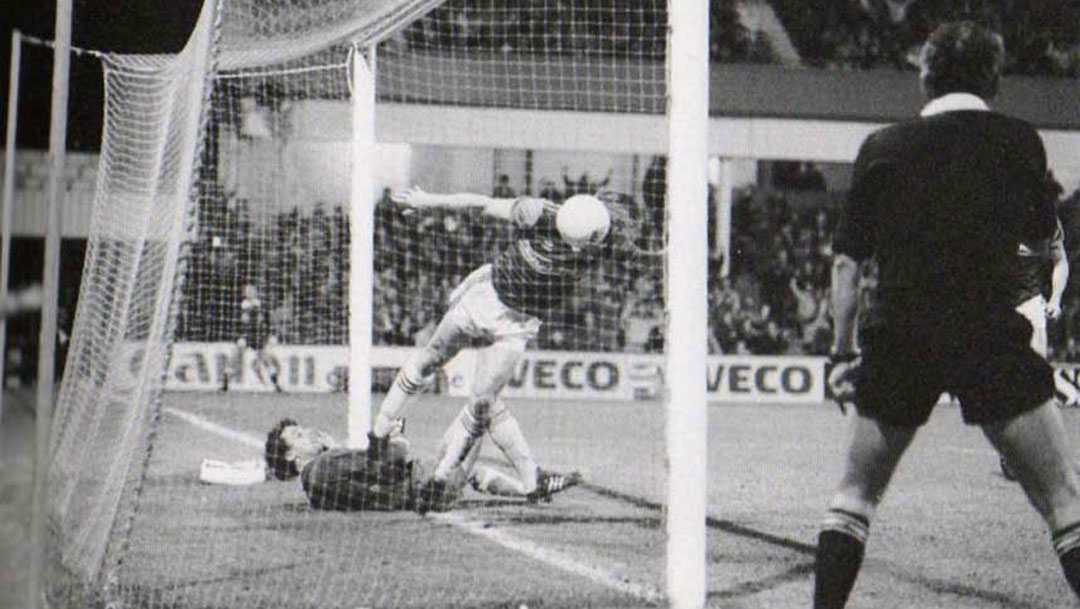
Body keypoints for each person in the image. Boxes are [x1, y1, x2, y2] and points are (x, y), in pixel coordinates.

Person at [817, 21, 1080, 609]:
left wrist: (839, 353)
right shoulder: (1020, 141)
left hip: (901, 335)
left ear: (925, 75)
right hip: (989, 333)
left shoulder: (882, 146)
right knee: (1065, 501)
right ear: (994, 78)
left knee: (854, 498)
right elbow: (1043, 243)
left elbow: (846, 268)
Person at [367, 186, 636, 513]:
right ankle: (379, 434)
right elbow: (480, 204)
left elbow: (633, 247)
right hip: (488, 297)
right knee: (430, 359)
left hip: (517, 326)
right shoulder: (538, 213)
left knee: (482, 403)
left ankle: (444, 478)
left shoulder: (603, 239)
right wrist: (428, 202)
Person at [264, 418, 575, 512]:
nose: (310, 431)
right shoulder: (326, 464)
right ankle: (533, 481)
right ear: (292, 455)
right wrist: (397, 433)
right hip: (427, 484)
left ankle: (527, 490)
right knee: (485, 406)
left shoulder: (313, 485)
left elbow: (362, 481)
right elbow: (392, 460)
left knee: (472, 470)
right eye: (299, 435)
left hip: (419, 489)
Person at [1001, 209, 1070, 479]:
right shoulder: (994, 212)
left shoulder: (1048, 220)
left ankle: (1031, 454)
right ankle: (1010, 450)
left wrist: (1055, 299)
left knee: (1035, 381)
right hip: (999, 303)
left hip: (1030, 302)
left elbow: (1060, 261)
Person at [222, 283, 282, 392]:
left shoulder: (262, 305)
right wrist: (238, 336)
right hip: (245, 336)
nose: (249, 292)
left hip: (258, 335)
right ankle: (225, 383)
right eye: (247, 290)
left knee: (266, 358)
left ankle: (276, 384)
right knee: (235, 356)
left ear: (255, 292)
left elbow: (268, 321)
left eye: (251, 290)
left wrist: (271, 334)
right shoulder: (241, 306)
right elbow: (236, 323)